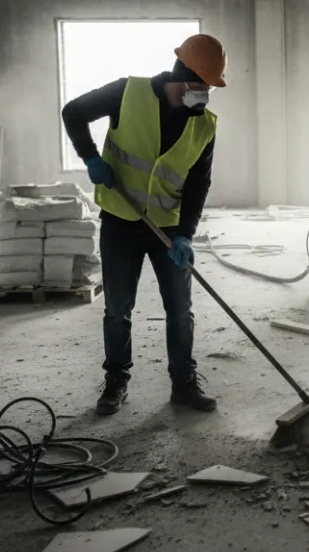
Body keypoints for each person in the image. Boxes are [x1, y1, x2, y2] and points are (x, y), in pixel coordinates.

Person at [61, 34, 226, 415]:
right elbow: (73, 112)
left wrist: (186, 233)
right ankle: (115, 383)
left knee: (180, 310)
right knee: (118, 308)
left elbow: (200, 181)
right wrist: (89, 157)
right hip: (120, 218)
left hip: (167, 228)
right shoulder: (126, 93)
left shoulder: (204, 124)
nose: (206, 95)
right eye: (202, 85)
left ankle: (183, 385)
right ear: (183, 77)